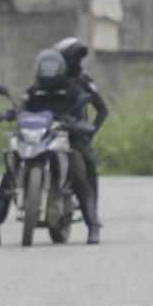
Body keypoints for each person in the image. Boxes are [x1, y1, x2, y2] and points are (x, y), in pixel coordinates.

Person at [0, 49, 101, 246]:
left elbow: (80, 115)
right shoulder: (33, 92)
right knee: (8, 176)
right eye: (45, 69)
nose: (48, 73)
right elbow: (23, 113)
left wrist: (74, 123)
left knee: (78, 173)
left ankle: (93, 226)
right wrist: (11, 115)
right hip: (35, 140)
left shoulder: (72, 90)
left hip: (65, 140)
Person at [54, 37, 109, 244]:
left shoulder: (84, 82)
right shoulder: (50, 79)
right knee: (10, 170)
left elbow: (102, 110)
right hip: (46, 136)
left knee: (80, 172)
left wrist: (89, 133)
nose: (73, 63)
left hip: (74, 138)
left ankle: (93, 225)